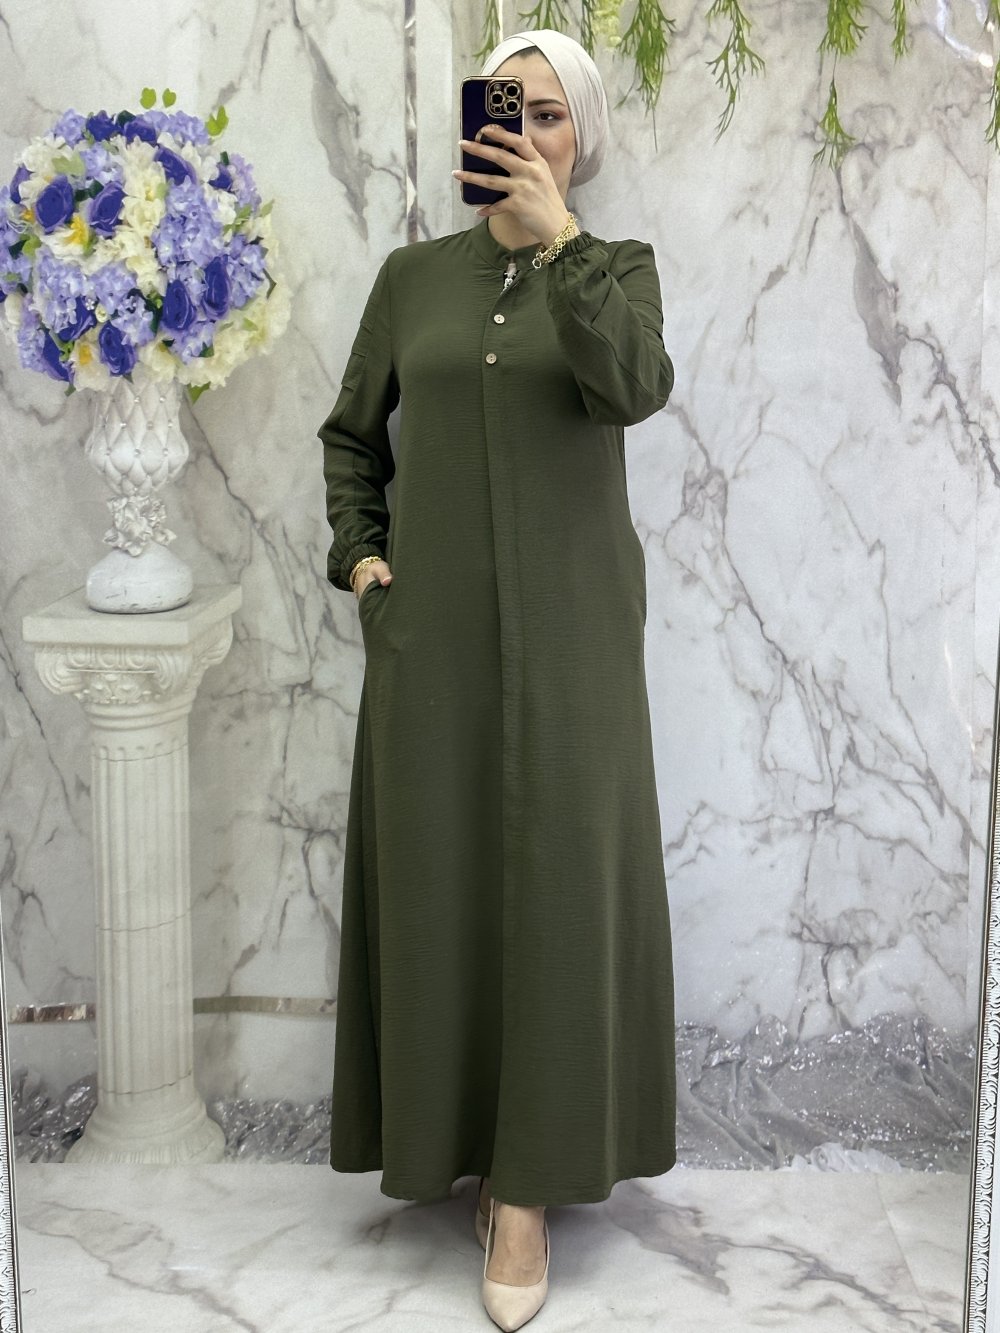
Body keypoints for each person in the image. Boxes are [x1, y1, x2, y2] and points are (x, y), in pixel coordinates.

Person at [319, 28, 677, 1331]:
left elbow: (634, 386)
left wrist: (562, 239)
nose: (524, 130)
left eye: (550, 113)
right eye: (503, 108)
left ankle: (526, 1189)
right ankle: (456, 1152)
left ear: (581, 138)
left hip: (578, 642)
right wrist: (365, 559)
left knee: (564, 892)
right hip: (433, 645)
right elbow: (352, 437)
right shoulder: (412, 277)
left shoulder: (618, 269)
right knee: (446, 882)